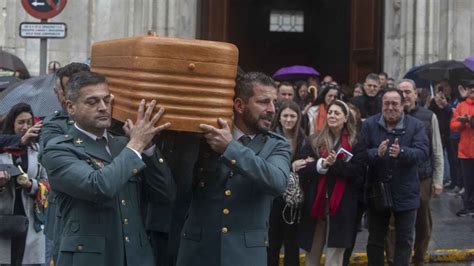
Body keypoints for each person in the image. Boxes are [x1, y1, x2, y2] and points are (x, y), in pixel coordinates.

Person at [41, 71, 176, 266]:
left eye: (107, 100)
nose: (103, 108)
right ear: (71, 107)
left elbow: (166, 194)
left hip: (136, 257)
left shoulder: (124, 145)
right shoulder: (59, 149)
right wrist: (137, 144)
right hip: (90, 259)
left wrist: (148, 148)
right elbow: (99, 186)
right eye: (92, 102)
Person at [176, 72, 291, 266]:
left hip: (245, 256)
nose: (272, 109)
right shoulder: (205, 138)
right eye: (264, 102)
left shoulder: (277, 145)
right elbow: (180, 187)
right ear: (239, 105)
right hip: (199, 252)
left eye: (274, 103)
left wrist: (231, 148)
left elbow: (278, 182)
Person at [360, 88, 429, 265]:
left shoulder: (416, 125)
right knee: (375, 240)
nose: (390, 107)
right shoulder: (369, 124)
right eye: (386, 103)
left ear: (402, 105)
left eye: (394, 104)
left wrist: (402, 152)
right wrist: (376, 153)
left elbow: (422, 153)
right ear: (381, 105)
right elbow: (360, 154)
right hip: (377, 192)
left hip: (406, 192)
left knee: (404, 241)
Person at [296, 100, 367, 266]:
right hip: (315, 203)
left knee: (335, 256)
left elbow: (358, 174)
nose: (332, 116)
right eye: (330, 112)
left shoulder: (356, 143)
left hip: (342, 206)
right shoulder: (314, 140)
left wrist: (335, 165)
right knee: (312, 251)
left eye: (337, 113)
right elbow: (304, 168)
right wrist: (322, 164)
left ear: (345, 118)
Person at [39, 62, 90, 265]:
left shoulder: (111, 124)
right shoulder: (53, 124)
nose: (75, 96)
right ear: (58, 93)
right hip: (63, 219)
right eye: (69, 90)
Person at [395, 79, 444, 265]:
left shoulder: (428, 116)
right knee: (394, 222)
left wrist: (438, 180)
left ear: (416, 93)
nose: (405, 95)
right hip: (397, 175)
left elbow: (437, 150)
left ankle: (419, 257)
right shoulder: (391, 114)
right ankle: (396, 260)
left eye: (408, 91)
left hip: (422, 176)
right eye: (401, 92)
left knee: (423, 221)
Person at [0, 103, 46, 266]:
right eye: (21, 122)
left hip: (31, 218)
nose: (25, 126)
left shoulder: (36, 150)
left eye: (29, 122)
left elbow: (47, 185)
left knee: (28, 261)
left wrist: (30, 185)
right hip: (4, 217)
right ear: (12, 123)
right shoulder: (2, 149)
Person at [268, 100, 309, 266]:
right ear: (279, 117)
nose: (289, 119)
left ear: (298, 117)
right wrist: (292, 167)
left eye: (293, 116)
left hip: (294, 200)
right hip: (273, 198)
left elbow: (309, 167)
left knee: (292, 245)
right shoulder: (269, 138)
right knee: (272, 244)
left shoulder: (304, 140)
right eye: (285, 115)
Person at [450, 80, 474, 217]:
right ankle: (468, 206)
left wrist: (469, 120)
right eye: (471, 88)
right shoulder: (461, 105)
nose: (473, 90)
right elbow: (453, 125)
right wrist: (461, 124)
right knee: (467, 181)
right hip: (465, 150)